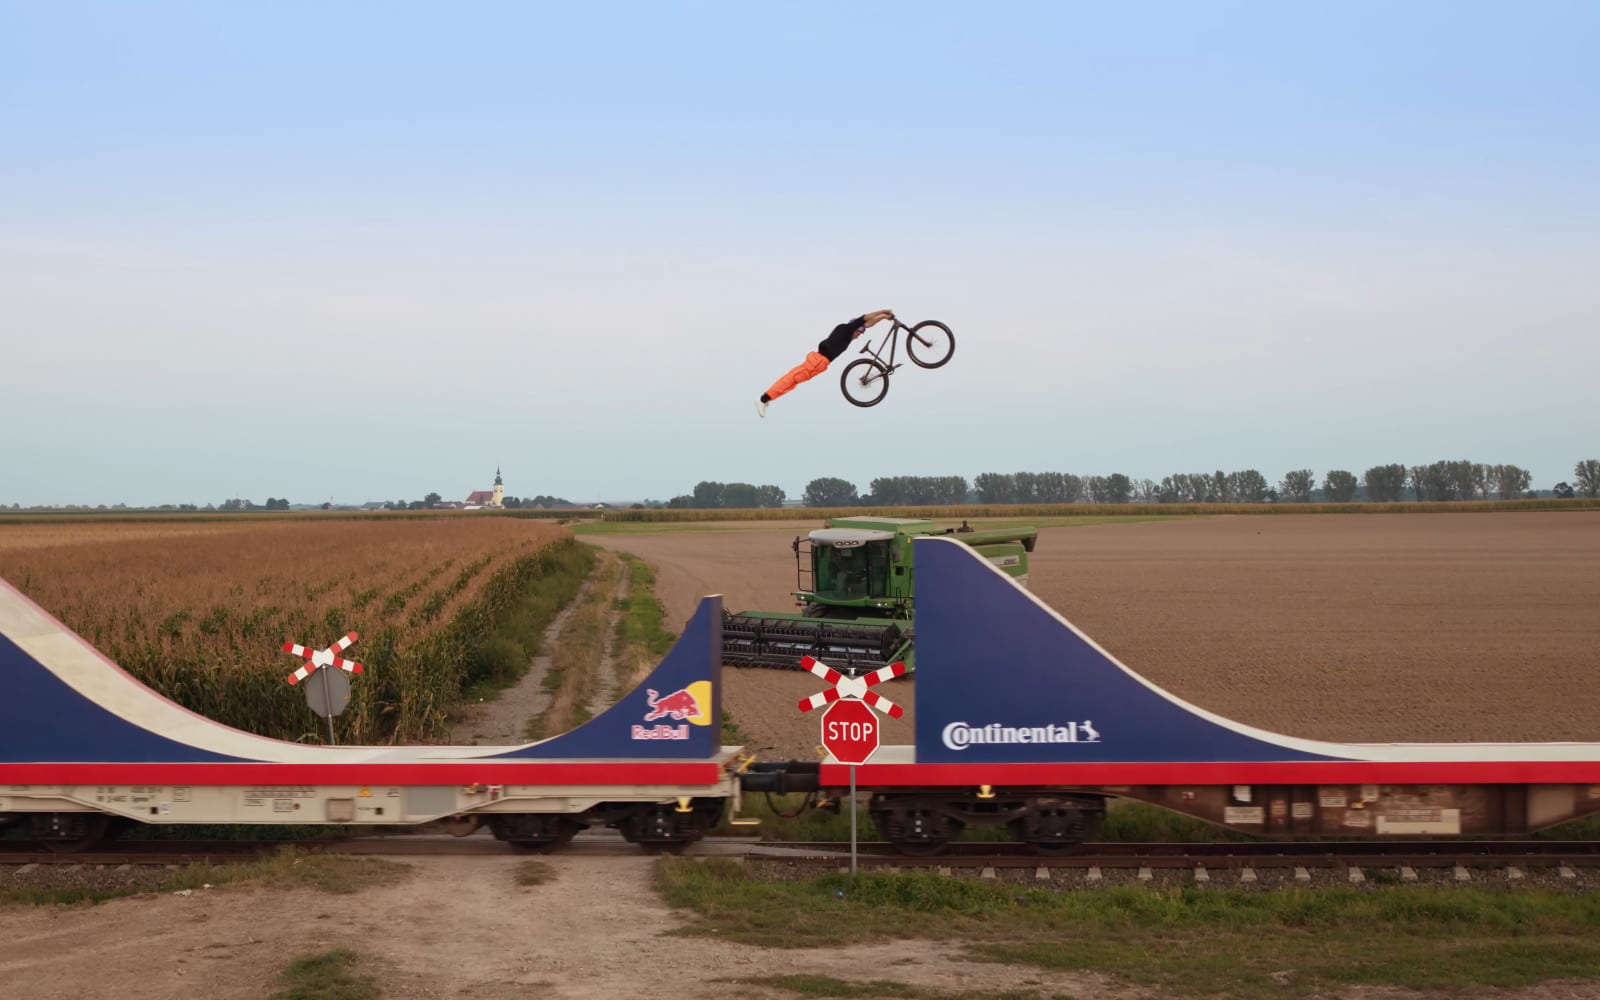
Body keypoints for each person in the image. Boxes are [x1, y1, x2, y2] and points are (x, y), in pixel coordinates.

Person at [756, 309, 895, 417]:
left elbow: (868, 324)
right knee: (791, 379)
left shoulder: (848, 335)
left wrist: (883, 318)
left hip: (819, 364)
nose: (859, 336)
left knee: (793, 383)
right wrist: (882, 311)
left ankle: (768, 398)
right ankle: (764, 398)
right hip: (817, 361)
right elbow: (864, 318)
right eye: (860, 332)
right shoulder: (846, 329)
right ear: (855, 328)